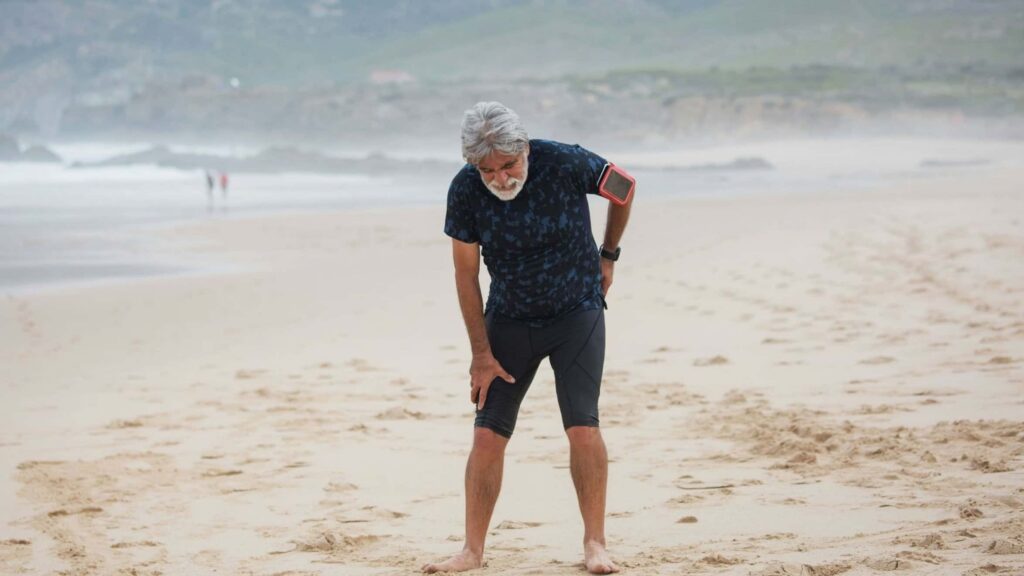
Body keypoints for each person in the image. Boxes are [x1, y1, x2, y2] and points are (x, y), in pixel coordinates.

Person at [423, 102, 634, 574]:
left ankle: (595, 544)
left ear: (525, 148)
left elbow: (624, 186)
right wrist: (480, 354)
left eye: (509, 164)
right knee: (487, 436)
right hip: (510, 321)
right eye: (488, 170)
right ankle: (471, 551)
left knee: (582, 427)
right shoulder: (464, 191)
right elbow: (465, 274)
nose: (500, 177)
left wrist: (609, 255)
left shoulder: (564, 161)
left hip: (575, 313)